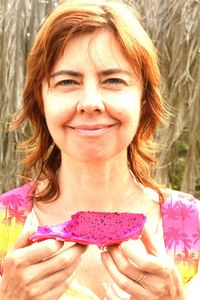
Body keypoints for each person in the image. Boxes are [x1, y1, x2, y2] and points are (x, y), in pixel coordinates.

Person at [0, 0, 199, 299]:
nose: (90, 102)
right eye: (67, 81)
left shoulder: (194, 227)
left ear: (143, 100)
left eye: (113, 80)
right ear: (40, 101)